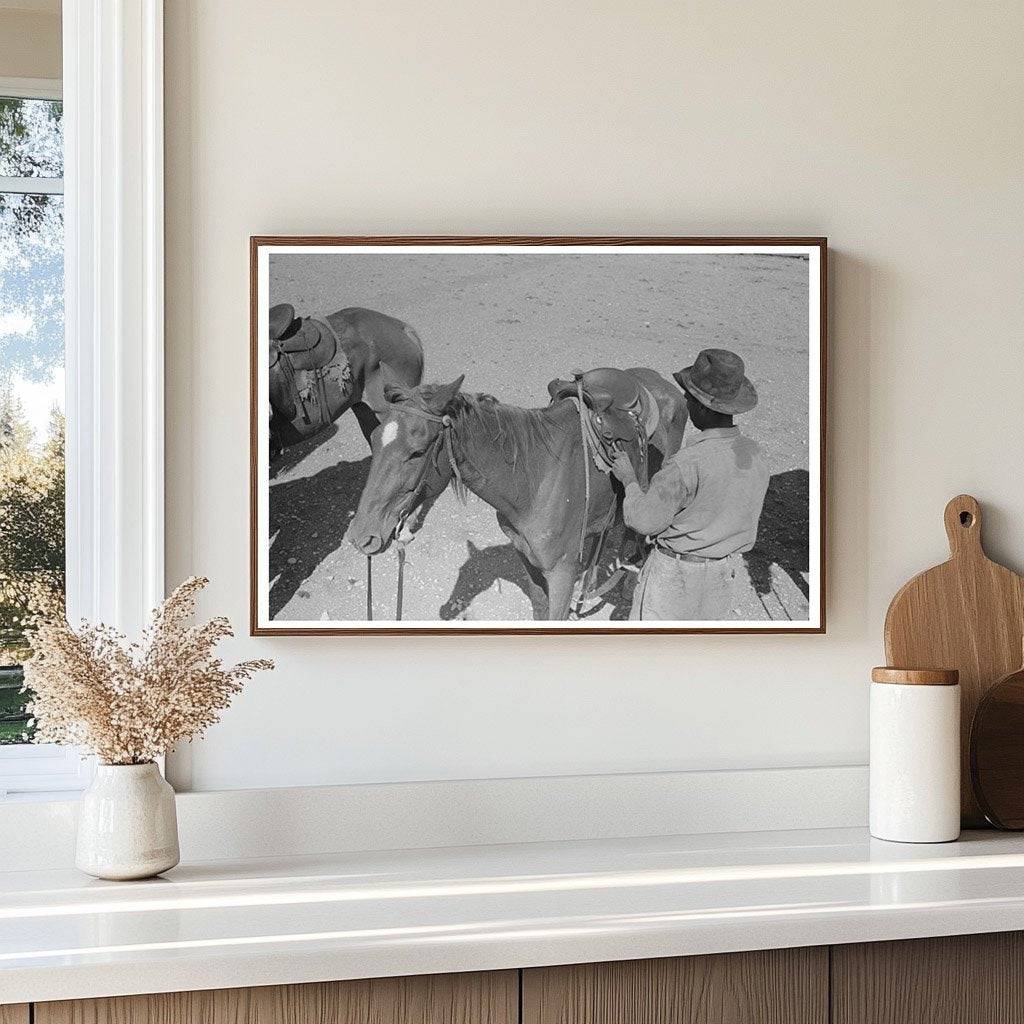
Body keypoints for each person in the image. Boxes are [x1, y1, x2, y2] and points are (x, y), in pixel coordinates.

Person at [610, 348, 770, 621]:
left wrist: (629, 480)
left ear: (700, 407)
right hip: (720, 577)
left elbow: (644, 521)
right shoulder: (756, 454)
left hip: (674, 576)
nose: (684, 399)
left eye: (689, 396)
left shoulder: (687, 463)